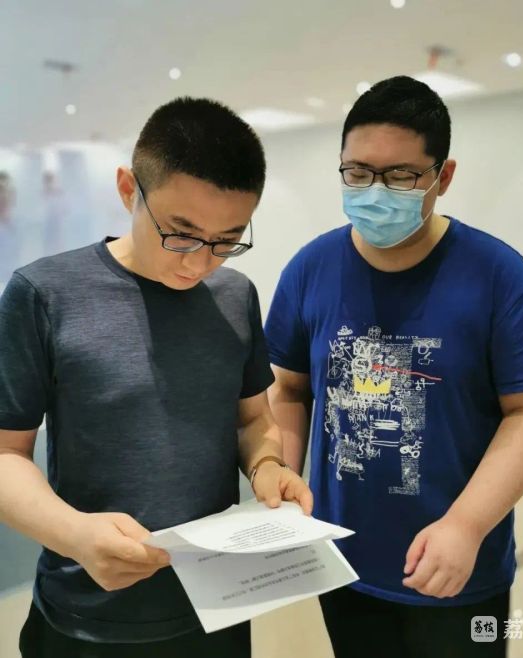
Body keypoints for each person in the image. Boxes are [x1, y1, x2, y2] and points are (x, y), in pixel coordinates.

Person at [264, 76, 523, 658]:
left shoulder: (500, 277)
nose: (375, 191)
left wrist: (467, 525)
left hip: (458, 569)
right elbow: (290, 389)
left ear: (442, 176)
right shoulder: (311, 268)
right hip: (342, 560)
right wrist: (284, 475)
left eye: (401, 175)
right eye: (357, 172)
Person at [0, 96, 312, 658]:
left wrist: (268, 465)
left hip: (216, 603)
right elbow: (5, 454)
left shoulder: (234, 295)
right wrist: (74, 534)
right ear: (129, 190)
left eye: (226, 240)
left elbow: (252, 418)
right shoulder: (45, 294)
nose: (199, 262)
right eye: (181, 232)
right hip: (87, 615)